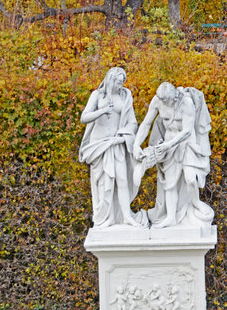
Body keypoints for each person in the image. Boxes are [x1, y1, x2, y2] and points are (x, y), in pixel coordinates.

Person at [133, 82, 214, 228]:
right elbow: (146, 123)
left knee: (190, 178)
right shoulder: (158, 100)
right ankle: (170, 217)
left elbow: (188, 130)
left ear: (175, 96)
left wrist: (168, 145)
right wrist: (136, 144)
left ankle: (196, 203)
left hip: (186, 143)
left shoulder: (186, 103)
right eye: (163, 100)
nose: (165, 103)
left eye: (167, 100)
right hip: (169, 144)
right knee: (169, 184)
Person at [79, 67, 142, 228]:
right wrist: (102, 111)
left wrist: (125, 133)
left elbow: (133, 122)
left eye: (122, 82)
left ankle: (126, 216)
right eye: (118, 82)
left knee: (122, 179)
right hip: (100, 145)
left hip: (116, 142)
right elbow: (84, 117)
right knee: (104, 182)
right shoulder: (98, 95)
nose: (120, 85)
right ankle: (105, 217)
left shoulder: (125, 97)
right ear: (110, 80)